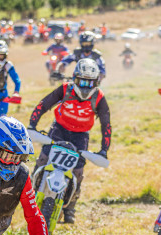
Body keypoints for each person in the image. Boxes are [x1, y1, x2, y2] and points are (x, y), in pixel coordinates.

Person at [29, 59, 111, 224]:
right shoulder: (65, 89)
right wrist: (32, 125)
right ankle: (30, 193)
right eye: (82, 81)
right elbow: (43, 104)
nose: (86, 86)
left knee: (77, 172)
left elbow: (106, 124)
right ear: (75, 78)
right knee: (43, 160)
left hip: (80, 136)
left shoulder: (99, 97)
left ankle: (70, 208)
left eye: (90, 83)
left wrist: (104, 150)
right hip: (59, 129)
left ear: (97, 82)